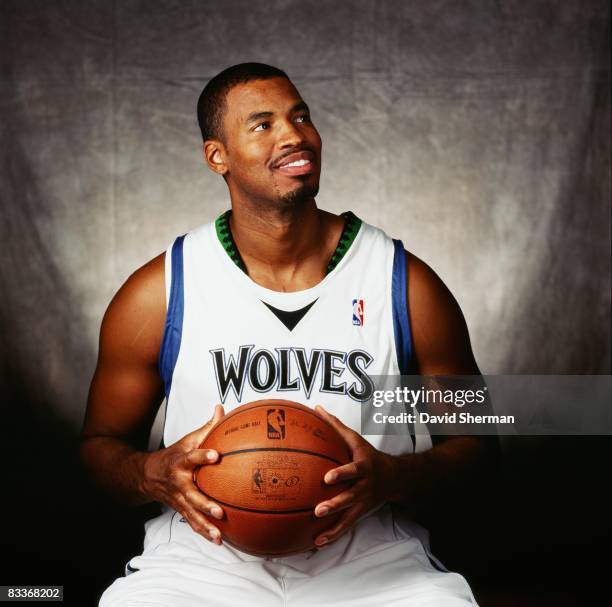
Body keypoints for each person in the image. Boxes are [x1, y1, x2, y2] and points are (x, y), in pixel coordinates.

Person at [81, 62, 498, 606]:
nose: (294, 134)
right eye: (263, 124)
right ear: (217, 157)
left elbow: (478, 446)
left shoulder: (403, 282)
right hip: (202, 563)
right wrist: (150, 473)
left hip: (371, 563)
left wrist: (393, 478)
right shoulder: (160, 290)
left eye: (300, 116)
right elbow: (97, 447)